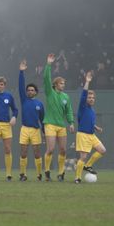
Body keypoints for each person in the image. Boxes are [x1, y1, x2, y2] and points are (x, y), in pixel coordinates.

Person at [43, 53, 74, 182]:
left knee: (62, 150)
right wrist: (49, 64)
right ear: (55, 85)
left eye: (64, 83)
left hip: (61, 126)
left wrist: (71, 122)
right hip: (49, 124)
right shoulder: (50, 93)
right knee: (50, 149)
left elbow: (69, 111)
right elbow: (46, 79)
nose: (63, 85)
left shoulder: (66, 97)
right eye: (61, 83)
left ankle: (61, 173)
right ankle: (47, 171)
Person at [74, 71, 106, 183]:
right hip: (83, 135)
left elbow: (88, 121)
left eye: (93, 97)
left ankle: (88, 166)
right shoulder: (83, 106)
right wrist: (87, 81)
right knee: (83, 157)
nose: (91, 99)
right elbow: (83, 94)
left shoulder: (92, 110)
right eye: (89, 97)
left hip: (91, 135)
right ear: (86, 99)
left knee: (102, 150)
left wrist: (96, 127)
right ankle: (77, 178)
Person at [18, 60, 45, 181]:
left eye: (32, 90)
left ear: (36, 92)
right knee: (23, 152)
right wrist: (21, 72)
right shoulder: (24, 100)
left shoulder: (39, 104)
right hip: (24, 129)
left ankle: (39, 174)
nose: (30, 91)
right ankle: (23, 174)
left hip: (35, 130)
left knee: (37, 153)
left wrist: (44, 132)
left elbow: (42, 119)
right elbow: (20, 85)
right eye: (28, 90)